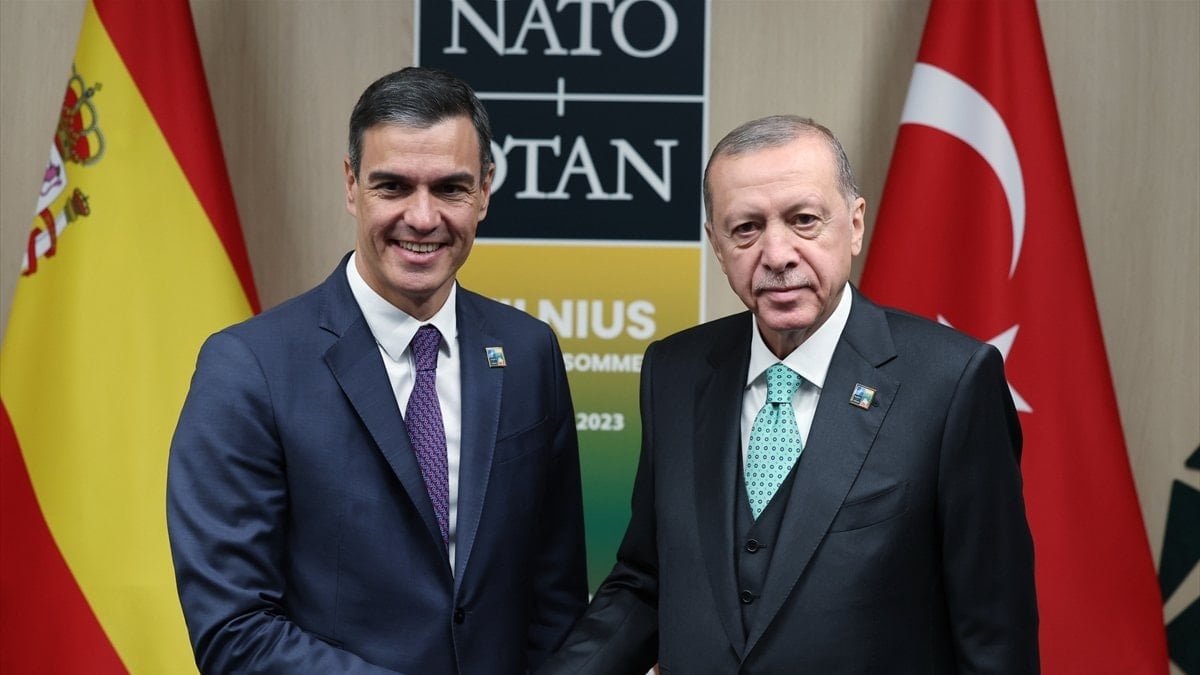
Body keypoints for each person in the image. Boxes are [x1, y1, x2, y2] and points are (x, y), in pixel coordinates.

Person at [540, 115, 1038, 674]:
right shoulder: (674, 372)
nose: (777, 255)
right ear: (717, 245)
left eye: (803, 220)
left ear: (854, 224)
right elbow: (646, 582)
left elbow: (994, 635)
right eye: (746, 228)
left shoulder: (952, 382)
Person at [167, 66, 588, 674]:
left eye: (450, 188)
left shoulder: (527, 353)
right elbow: (233, 631)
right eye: (393, 187)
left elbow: (556, 600)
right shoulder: (249, 368)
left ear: (485, 191)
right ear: (351, 185)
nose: (422, 217)